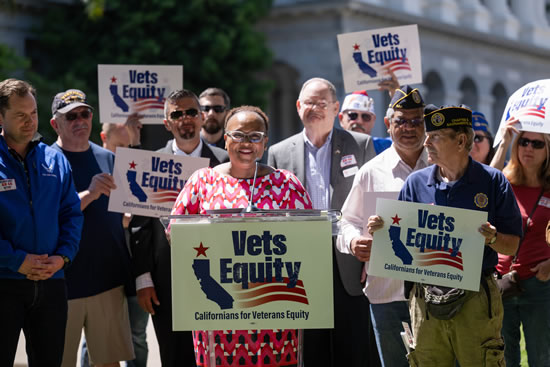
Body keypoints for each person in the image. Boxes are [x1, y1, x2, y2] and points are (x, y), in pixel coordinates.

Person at [369, 105, 522, 366]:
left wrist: (493, 238)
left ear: (461, 140)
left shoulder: (493, 182)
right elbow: (400, 245)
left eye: (435, 136)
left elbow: (513, 246)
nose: (425, 141)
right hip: (425, 300)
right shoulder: (415, 184)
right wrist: (382, 230)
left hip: (476, 298)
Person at [171, 105, 312, 366]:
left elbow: (309, 239)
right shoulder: (203, 181)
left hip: (274, 311)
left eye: (255, 136)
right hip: (218, 311)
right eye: (238, 135)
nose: (246, 143)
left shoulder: (287, 183)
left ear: (265, 142)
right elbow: (175, 233)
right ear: (225, 139)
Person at [267, 77, 379, 367]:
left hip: (350, 262)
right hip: (301, 266)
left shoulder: (360, 145)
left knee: (353, 348)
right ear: (298, 106)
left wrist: (372, 261)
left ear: (335, 108)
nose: (314, 108)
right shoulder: (279, 153)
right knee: (311, 350)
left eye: (321, 103)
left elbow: (374, 206)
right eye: (308, 102)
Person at [129, 89, 228, 366]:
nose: (185, 118)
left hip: (218, 276)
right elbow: (140, 228)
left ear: (201, 117)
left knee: (215, 354)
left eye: (191, 112)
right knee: (174, 355)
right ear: (166, 123)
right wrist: (143, 279)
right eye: (177, 114)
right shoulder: (150, 165)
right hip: (164, 281)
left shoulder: (225, 162)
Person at [338, 85, 428, 367]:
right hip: (387, 295)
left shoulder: (443, 169)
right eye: (402, 121)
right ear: (389, 124)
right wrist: (354, 242)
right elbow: (347, 221)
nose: (410, 128)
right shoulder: (371, 171)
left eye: (417, 121)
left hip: (438, 296)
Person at [0, 78, 83, 366]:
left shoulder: (54, 159)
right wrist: (16, 260)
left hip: (52, 283)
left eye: (33, 113)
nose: (29, 121)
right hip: (5, 282)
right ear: (0, 117)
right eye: (20, 115)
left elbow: (72, 213)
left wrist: (63, 257)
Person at [50, 89, 135, 367]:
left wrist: (128, 216)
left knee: (108, 363)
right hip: (62, 284)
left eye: (84, 114)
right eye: (70, 116)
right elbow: (46, 215)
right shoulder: (45, 161)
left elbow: (120, 215)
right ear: (55, 124)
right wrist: (89, 194)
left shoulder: (109, 158)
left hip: (108, 282)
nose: (79, 121)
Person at [492, 120, 550, 367]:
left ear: (548, 149)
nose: (528, 148)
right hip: (501, 282)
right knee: (504, 358)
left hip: (539, 283)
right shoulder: (504, 181)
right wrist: (504, 141)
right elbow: (481, 187)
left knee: (541, 357)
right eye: (523, 141)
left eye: (537, 144)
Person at [99, 116, 149, 367]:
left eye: (128, 149)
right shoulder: (93, 172)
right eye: (120, 148)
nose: (124, 155)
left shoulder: (139, 172)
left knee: (136, 337)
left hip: (133, 269)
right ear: (103, 139)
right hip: (103, 271)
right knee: (96, 339)